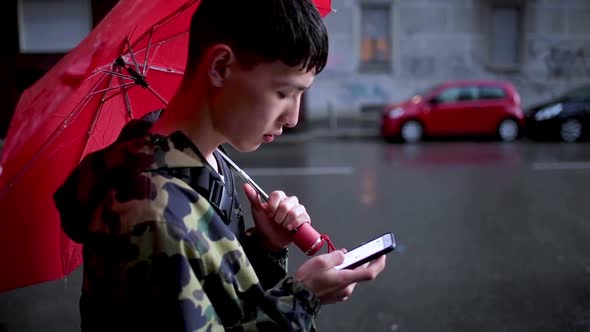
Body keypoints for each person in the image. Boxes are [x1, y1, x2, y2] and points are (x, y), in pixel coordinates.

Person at [53, 0, 387, 331]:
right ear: (220, 67)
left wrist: (264, 247)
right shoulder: (147, 213)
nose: (293, 117)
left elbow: (217, 299)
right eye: (284, 92)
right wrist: (302, 298)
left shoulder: (208, 162)